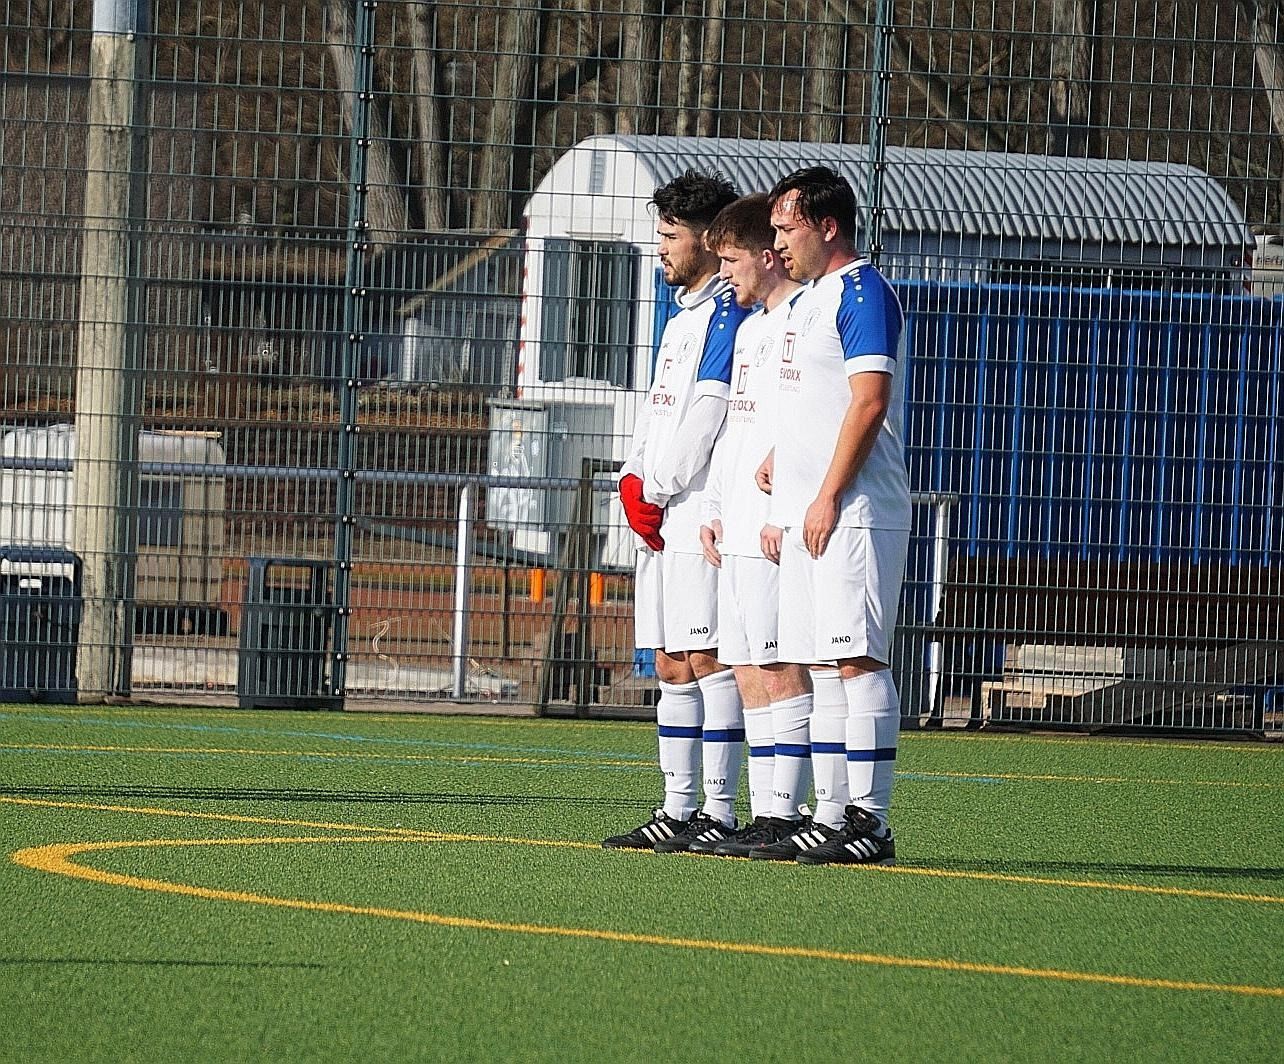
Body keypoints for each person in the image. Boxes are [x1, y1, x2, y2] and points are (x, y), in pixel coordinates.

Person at [749, 165, 911, 866]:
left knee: (858, 659)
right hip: (809, 515)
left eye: (787, 228)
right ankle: (832, 814)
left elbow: (869, 400)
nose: (778, 242)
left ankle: (871, 822)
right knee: (824, 664)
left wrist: (827, 494)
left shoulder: (862, 291)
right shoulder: (808, 301)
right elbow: (816, 401)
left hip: (854, 512)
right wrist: (782, 459)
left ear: (828, 225)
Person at [602, 168, 752, 853]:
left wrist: (656, 488)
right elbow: (657, 414)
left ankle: (719, 811)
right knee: (668, 663)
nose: (660, 248)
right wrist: (632, 479)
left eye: (670, 235)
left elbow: (707, 414)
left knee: (706, 658)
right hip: (661, 515)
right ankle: (677, 806)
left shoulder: (727, 313)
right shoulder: (681, 316)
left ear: (708, 239)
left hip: (695, 515)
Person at [692, 193, 817, 858]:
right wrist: (714, 507)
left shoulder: (801, 321)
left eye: (732, 260)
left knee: (779, 666)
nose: (724, 274)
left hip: (771, 530)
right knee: (746, 669)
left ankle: (787, 810)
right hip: (735, 528)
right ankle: (765, 810)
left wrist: (778, 512)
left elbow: (798, 431)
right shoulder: (749, 330)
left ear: (768, 256)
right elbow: (736, 435)